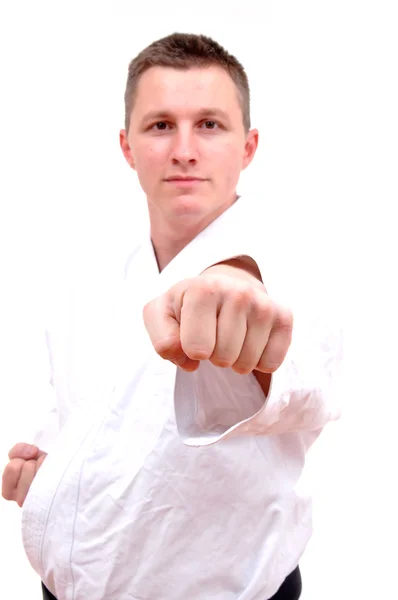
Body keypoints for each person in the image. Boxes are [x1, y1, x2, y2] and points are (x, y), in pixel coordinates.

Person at [2, 33, 342, 600]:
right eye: (161, 125)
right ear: (127, 146)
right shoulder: (89, 275)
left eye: (210, 124)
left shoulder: (288, 269)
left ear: (249, 146)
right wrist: (52, 478)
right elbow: (82, 411)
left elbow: (303, 378)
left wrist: (241, 302)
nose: (184, 149)